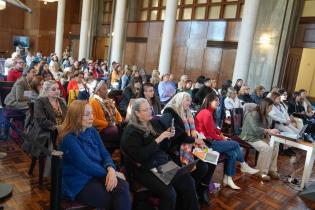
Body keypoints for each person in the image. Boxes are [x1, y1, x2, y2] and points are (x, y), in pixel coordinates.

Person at [121, 98, 199, 210]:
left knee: (188, 181)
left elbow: (163, 148)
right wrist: (159, 139)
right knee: (170, 193)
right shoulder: (131, 132)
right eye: (145, 110)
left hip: (159, 163)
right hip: (143, 169)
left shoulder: (152, 123)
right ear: (137, 113)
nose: (150, 111)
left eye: (149, 108)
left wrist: (167, 137)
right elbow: (140, 157)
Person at [58, 100, 131, 210]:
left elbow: (105, 153)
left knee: (123, 187)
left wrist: (111, 169)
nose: (91, 117)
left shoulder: (92, 131)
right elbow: (86, 165)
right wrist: (112, 173)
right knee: (115, 200)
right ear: (76, 117)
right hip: (79, 181)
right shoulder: (69, 138)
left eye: (91, 113)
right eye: (87, 114)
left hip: (97, 173)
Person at [195, 93, 258, 190]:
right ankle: (243, 165)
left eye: (218, 100)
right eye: (215, 100)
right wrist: (222, 138)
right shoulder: (206, 113)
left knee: (232, 154)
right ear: (209, 101)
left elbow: (214, 128)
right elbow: (211, 134)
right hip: (207, 144)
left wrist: (220, 134)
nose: (218, 102)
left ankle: (227, 179)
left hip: (209, 141)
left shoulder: (208, 112)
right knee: (236, 144)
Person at [160, 92, 214, 204]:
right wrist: (195, 140)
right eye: (186, 100)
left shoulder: (187, 113)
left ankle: (200, 190)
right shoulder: (169, 112)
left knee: (211, 160)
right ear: (179, 100)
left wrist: (198, 140)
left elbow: (192, 132)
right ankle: (191, 191)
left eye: (190, 100)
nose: (189, 103)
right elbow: (176, 135)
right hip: (176, 149)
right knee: (203, 167)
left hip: (189, 146)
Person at [23, 80, 67, 187]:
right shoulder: (40, 101)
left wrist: (66, 127)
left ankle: (66, 171)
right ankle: (54, 173)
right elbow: (41, 120)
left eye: (58, 89)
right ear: (46, 91)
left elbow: (67, 117)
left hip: (62, 130)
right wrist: (56, 127)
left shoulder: (61, 101)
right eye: (53, 89)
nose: (57, 91)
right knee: (58, 140)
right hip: (45, 132)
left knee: (75, 138)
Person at [240, 98, 280, 181]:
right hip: (249, 137)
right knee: (266, 148)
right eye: (270, 107)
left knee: (275, 146)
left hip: (258, 136)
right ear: (265, 106)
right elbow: (255, 129)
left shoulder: (265, 114)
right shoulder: (253, 113)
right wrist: (268, 131)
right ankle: (261, 171)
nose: (271, 109)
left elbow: (266, 128)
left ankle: (271, 169)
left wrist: (269, 135)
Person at [89, 80, 123, 153]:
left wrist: (120, 121)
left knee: (126, 128)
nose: (107, 91)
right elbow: (93, 121)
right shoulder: (93, 101)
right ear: (97, 91)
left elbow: (117, 113)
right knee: (121, 132)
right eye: (104, 89)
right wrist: (108, 124)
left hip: (113, 125)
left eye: (107, 89)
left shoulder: (108, 100)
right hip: (101, 129)